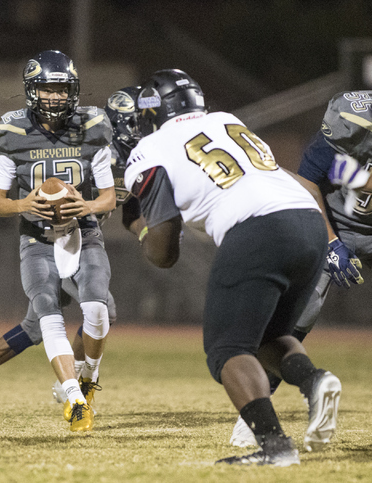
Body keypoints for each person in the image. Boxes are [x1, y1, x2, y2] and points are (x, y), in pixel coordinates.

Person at [124, 69, 342, 466]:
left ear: (151, 112)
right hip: (308, 223)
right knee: (267, 335)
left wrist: (137, 227)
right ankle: (315, 381)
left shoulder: (149, 149)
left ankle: (275, 448)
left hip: (258, 227)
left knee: (227, 349)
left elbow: (164, 252)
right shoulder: (228, 120)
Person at [0, 85, 144, 418]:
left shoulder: (134, 158)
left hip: (80, 238)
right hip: (49, 238)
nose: (138, 132)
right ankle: (72, 384)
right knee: (88, 311)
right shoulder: (92, 143)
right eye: (133, 124)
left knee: (37, 325)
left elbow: (125, 206)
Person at [229, 90, 372, 448]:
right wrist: (330, 242)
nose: (336, 144)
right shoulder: (331, 140)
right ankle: (257, 412)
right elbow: (307, 183)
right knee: (299, 313)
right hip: (339, 226)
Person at [0, 50, 116, 432]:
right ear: (32, 91)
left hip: (83, 230)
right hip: (37, 237)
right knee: (47, 309)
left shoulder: (92, 127)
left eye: (62, 89)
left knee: (96, 308)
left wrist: (85, 203)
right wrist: (24, 203)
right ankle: (75, 400)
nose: (56, 97)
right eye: (48, 89)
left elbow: (109, 197)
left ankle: (88, 378)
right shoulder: (12, 133)